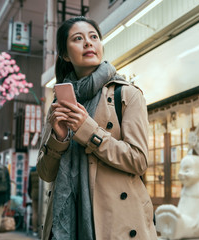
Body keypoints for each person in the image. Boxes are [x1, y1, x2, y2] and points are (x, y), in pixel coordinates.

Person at [37, 16, 157, 240]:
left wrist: (88, 131)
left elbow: (138, 161)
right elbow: (45, 173)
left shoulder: (127, 94)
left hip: (115, 224)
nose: (88, 43)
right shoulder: (59, 105)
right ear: (64, 54)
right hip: (63, 226)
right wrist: (59, 140)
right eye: (78, 38)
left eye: (93, 37)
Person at [27, 166, 39, 237]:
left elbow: (29, 184)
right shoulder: (44, 168)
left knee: (35, 212)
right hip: (43, 194)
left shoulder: (32, 170)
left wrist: (30, 194)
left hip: (34, 194)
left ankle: (35, 230)